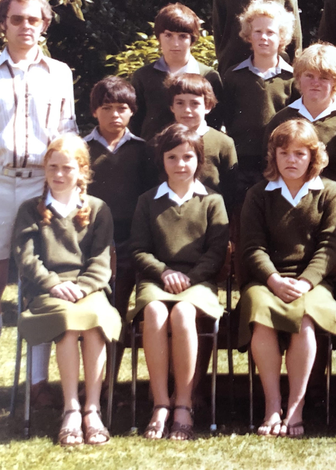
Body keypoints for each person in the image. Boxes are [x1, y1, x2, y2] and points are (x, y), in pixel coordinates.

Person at [0, 0, 77, 410]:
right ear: (3, 24)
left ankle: (38, 382)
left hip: (42, 184)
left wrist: (69, 193)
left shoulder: (59, 73)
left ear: (44, 25)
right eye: (17, 19)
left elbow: (68, 137)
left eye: (34, 19)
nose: (26, 26)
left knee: (37, 282)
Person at [237, 119, 336, 438]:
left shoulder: (331, 192)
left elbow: (330, 246)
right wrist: (273, 280)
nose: (291, 160)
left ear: (313, 156)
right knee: (260, 313)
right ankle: (273, 405)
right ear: (273, 155)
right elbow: (252, 247)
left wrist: (305, 282)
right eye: (284, 152)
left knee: (305, 317)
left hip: (312, 282)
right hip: (266, 280)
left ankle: (296, 408)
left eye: (300, 153)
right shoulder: (259, 193)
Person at [13, 135, 121, 446]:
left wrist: (83, 286)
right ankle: (71, 408)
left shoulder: (99, 209)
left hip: (89, 290)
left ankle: (93, 408)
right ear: (45, 169)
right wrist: (54, 284)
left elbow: (102, 260)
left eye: (67, 168)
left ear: (83, 171)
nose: (59, 175)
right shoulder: (30, 210)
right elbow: (27, 258)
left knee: (94, 321)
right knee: (69, 323)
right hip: (47, 292)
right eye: (52, 168)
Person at [128, 124, 230, 440]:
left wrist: (191, 277)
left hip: (198, 281)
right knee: (156, 313)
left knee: (184, 313)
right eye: (172, 157)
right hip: (157, 279)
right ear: (162, 161)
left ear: (199, 160)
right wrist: (164, 273)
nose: (180, 164)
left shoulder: (213, 201)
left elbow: (216, 251)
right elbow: (139, 249)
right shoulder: (148, 200)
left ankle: (184, 403)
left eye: (188, 157)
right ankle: (160, 403)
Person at [265, 43, 336, 304]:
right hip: (290, 213)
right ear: (299, 78)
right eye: (309, 76)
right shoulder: (281, 120)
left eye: (324, 78)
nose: (315, 83)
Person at [84, 76, 149, 335]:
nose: (114, 115)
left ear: (132, 111)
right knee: (95, 306)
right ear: (94, 111)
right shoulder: (82, 149)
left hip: (130, 240)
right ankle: (95, 375)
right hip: (92, 240)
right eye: (106, 108)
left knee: (118, 307)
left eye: (122, 108)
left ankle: (110, 374)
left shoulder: (143, 150)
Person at [220, 0, 298, 191]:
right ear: (248, 35)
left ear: (282, 37)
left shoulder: (292, 78)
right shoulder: (233, 76)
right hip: (241, 160)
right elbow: (226, 117)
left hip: (278, 158)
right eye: (258, 32)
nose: (264, 37)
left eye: (270, 32)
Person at [129, 3, 224, 140]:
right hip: (153, 154)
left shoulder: (208, 76)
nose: (175, 43)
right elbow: (135, 123)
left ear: (192, 39)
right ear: (158, 37)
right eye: (168, 35)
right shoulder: (143, 76)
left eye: (182, 36)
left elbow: (215, 122)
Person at [165, 73, 239, 204]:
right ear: (171, 107)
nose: (187, 110)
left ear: (208, 106)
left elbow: (230, 187)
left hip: (211, 214)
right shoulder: (160, 142)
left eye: (194, 103)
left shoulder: (224, 143)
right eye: (180, 103)